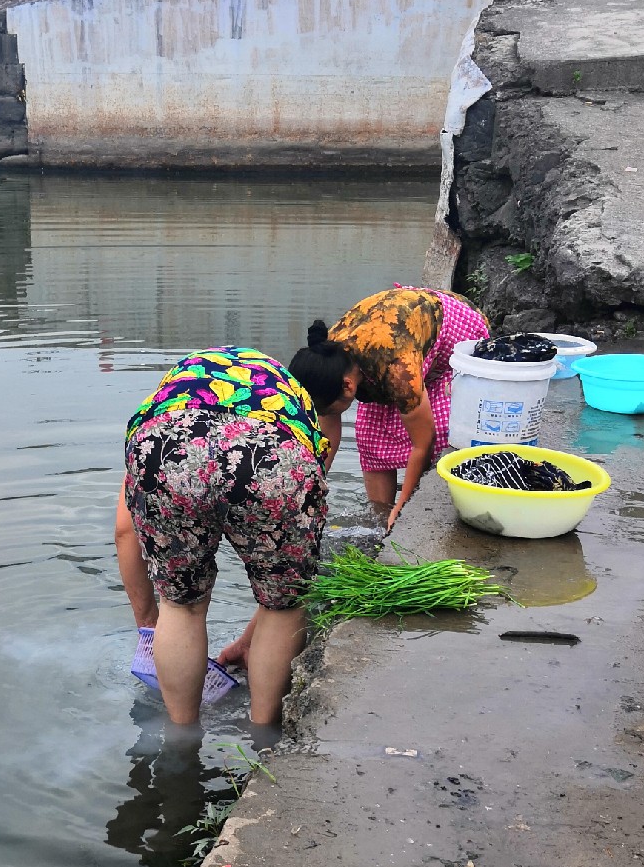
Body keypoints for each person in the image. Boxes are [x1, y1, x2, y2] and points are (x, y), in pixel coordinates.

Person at [115, 336, 359, 726]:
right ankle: (265, 736)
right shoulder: (290, 397)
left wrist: (148, 625)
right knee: (283, 606)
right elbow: (285, 571)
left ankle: (182, 737)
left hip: (167, 450)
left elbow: (125, 533)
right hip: (272, 454)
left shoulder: (169, 396)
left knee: (181, 608)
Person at [324, 285, 490, 529]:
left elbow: (423, 443)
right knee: (370, 434)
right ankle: (380, 519)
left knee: (443, 432)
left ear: (348, 386)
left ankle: (427, 512)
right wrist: (316, 484)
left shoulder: (398, 372)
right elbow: (327, 430)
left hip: (454, 340)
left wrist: (403, 506)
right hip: (395, 345)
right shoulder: (327, 361)